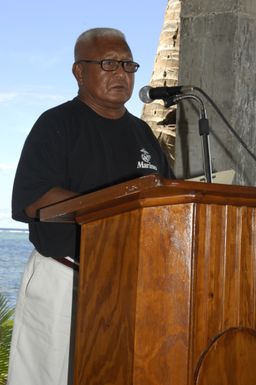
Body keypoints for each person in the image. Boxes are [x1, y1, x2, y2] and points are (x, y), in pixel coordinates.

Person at [8, 27, 175, 385]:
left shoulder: (143, 134)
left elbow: (165, 201)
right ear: (79, 72)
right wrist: (115, 207)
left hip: (128, 285)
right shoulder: (56, 124)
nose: (121, 73)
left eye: (128, 65)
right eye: (108, 63)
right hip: (64, 278)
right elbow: (32, 197)